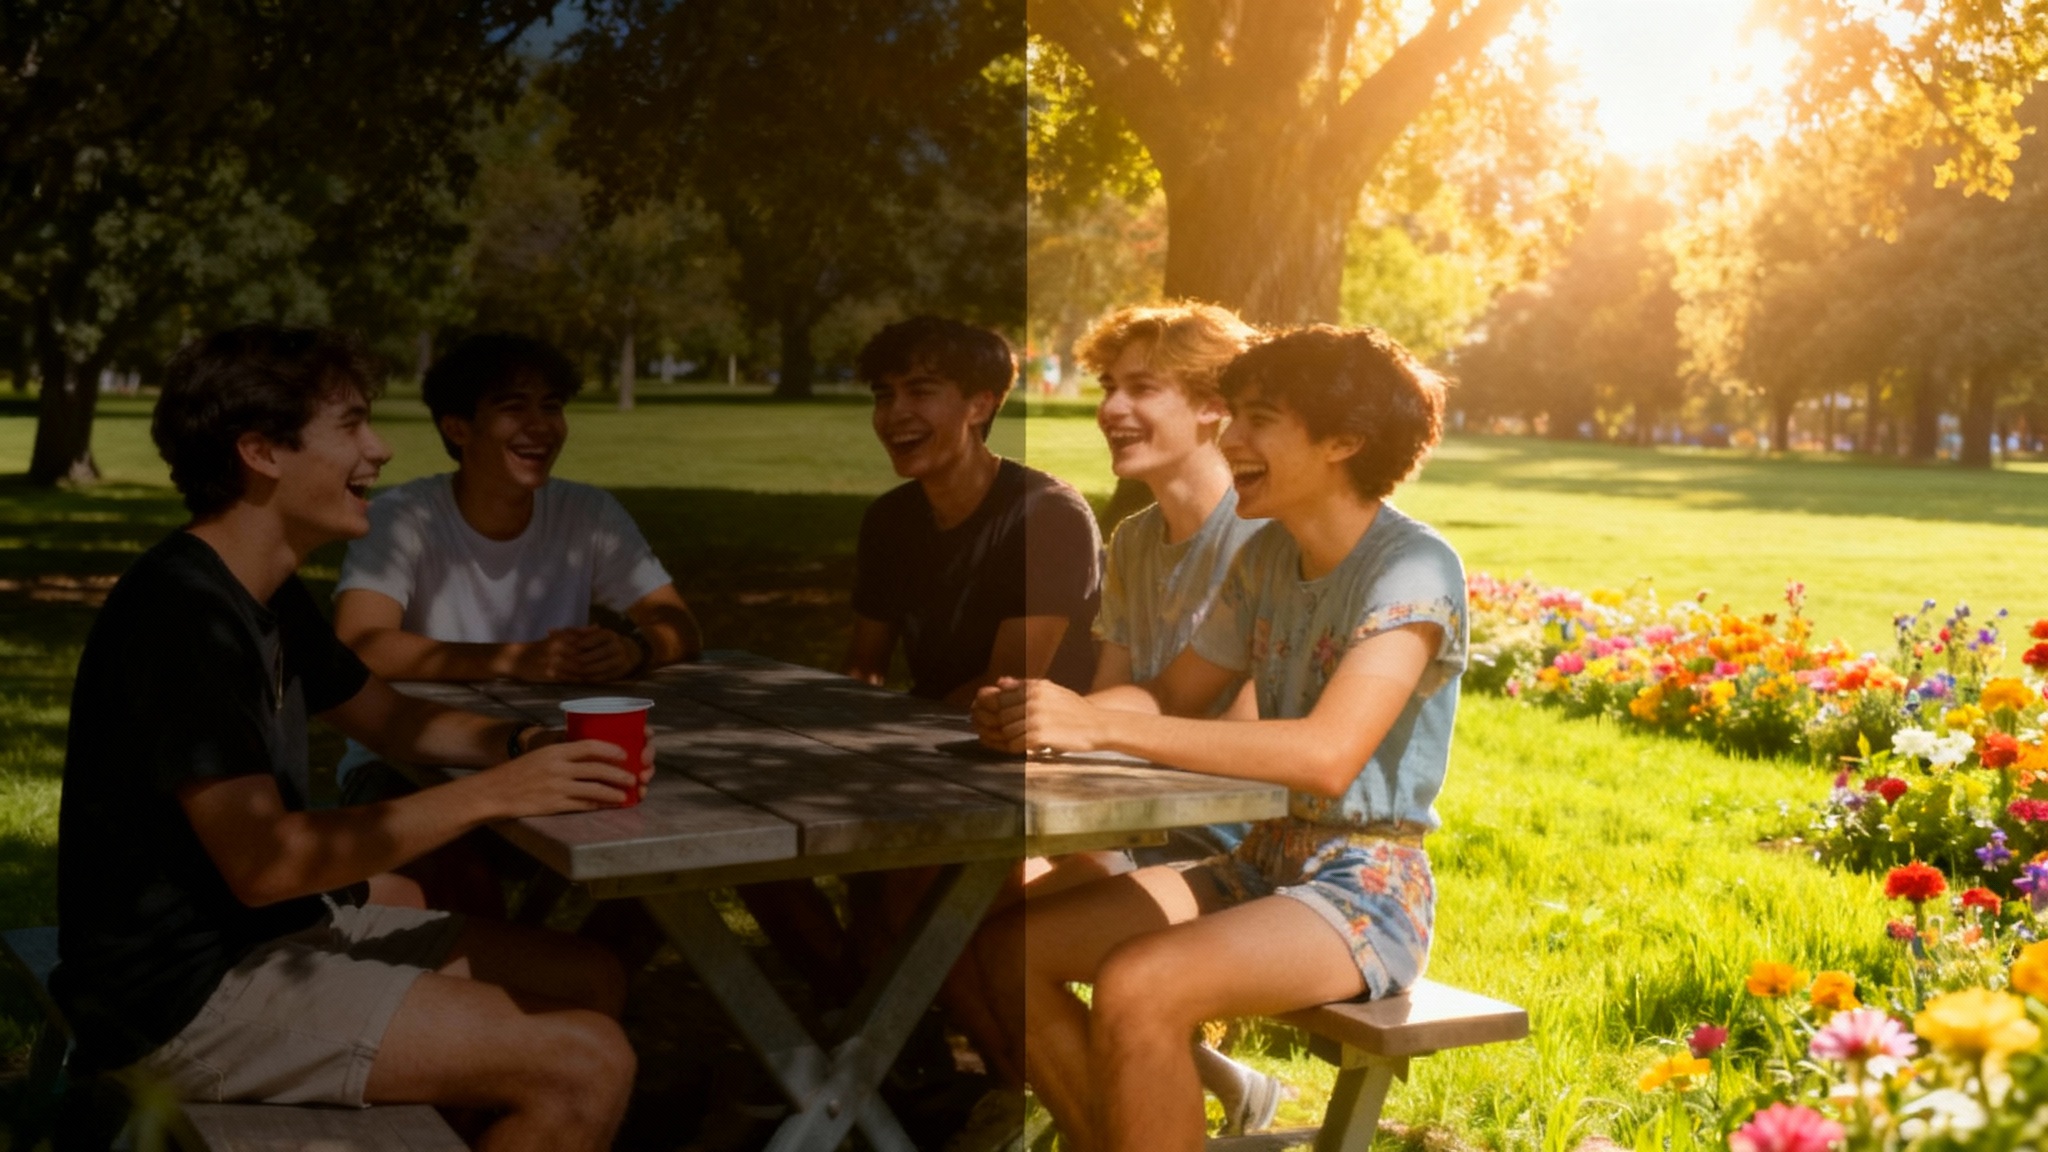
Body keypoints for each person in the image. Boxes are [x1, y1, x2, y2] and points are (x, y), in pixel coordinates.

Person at [50, 325, 649, 1150]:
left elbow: (391, 717)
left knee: (588, 975)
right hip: (180, 997)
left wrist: (523, 746)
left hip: (268, 938)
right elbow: (270, 864)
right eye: (353, 426)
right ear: (261, 451)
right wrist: (493, 797)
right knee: (586, 1061)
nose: (382, 447)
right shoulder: (182, 618)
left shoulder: (265, 585)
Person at [970, 325, 1466, 1152]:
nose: (1230, 438)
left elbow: (1323, 754)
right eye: (1230, 414)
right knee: (1010, 951)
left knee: (1141, 982)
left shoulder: (1413, 568)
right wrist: (1046, 713)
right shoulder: (1269, 554)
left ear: (1344, 441)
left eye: (1258, 419)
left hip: (1366, 888)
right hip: (1258, 865)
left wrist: (1097, 724)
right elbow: (1169, 694)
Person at [330, 332, 700, 914]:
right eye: (513, 407)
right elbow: (359, 644)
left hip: (551, 755)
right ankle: (529, 983)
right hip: (407, 762)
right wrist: (515, 659)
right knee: (459, 884)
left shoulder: (587, 512)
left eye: (551, 406)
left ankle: (568, 982)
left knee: (668, 858)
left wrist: (636, 649)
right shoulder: (405, 517)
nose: (541, 426)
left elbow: (678, 622)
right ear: (458, 428)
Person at [1065, 301, 1284, 1135]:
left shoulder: (1263, 537)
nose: (1113, 409)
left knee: (985, 927)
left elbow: (1255, 749)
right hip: (1139, 829)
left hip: (1232, 848)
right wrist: (1055, 719)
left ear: (1211, 407)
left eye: (1142, 388)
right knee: (963, 904)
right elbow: (1123, 697)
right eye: (1109, 387)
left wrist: (1098, 727)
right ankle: (1197, 1087)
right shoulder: (1131, 542)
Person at [846, 315, 1100, 705]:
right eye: (884, 396)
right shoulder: (890, 519)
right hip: (927, 736)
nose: (895, 413)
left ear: (980, 406)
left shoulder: (1049, 516)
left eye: (920, 392)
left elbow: (1004, 686)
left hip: (1035, 751)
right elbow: (864, 669)